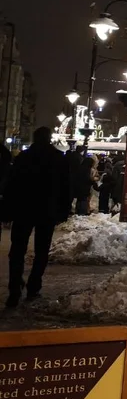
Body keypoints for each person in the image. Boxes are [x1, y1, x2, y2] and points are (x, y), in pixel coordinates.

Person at [3, 127, 71, 308]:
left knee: (17, 250)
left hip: (23, 210)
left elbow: (11, 186)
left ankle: (14, 288)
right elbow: (65, 187)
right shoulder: (57, 159)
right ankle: (34, 286)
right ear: (49, 139)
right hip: (46, 211)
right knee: (41, 251)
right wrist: (63, 210)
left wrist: (8, 210)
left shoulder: (23, 158)